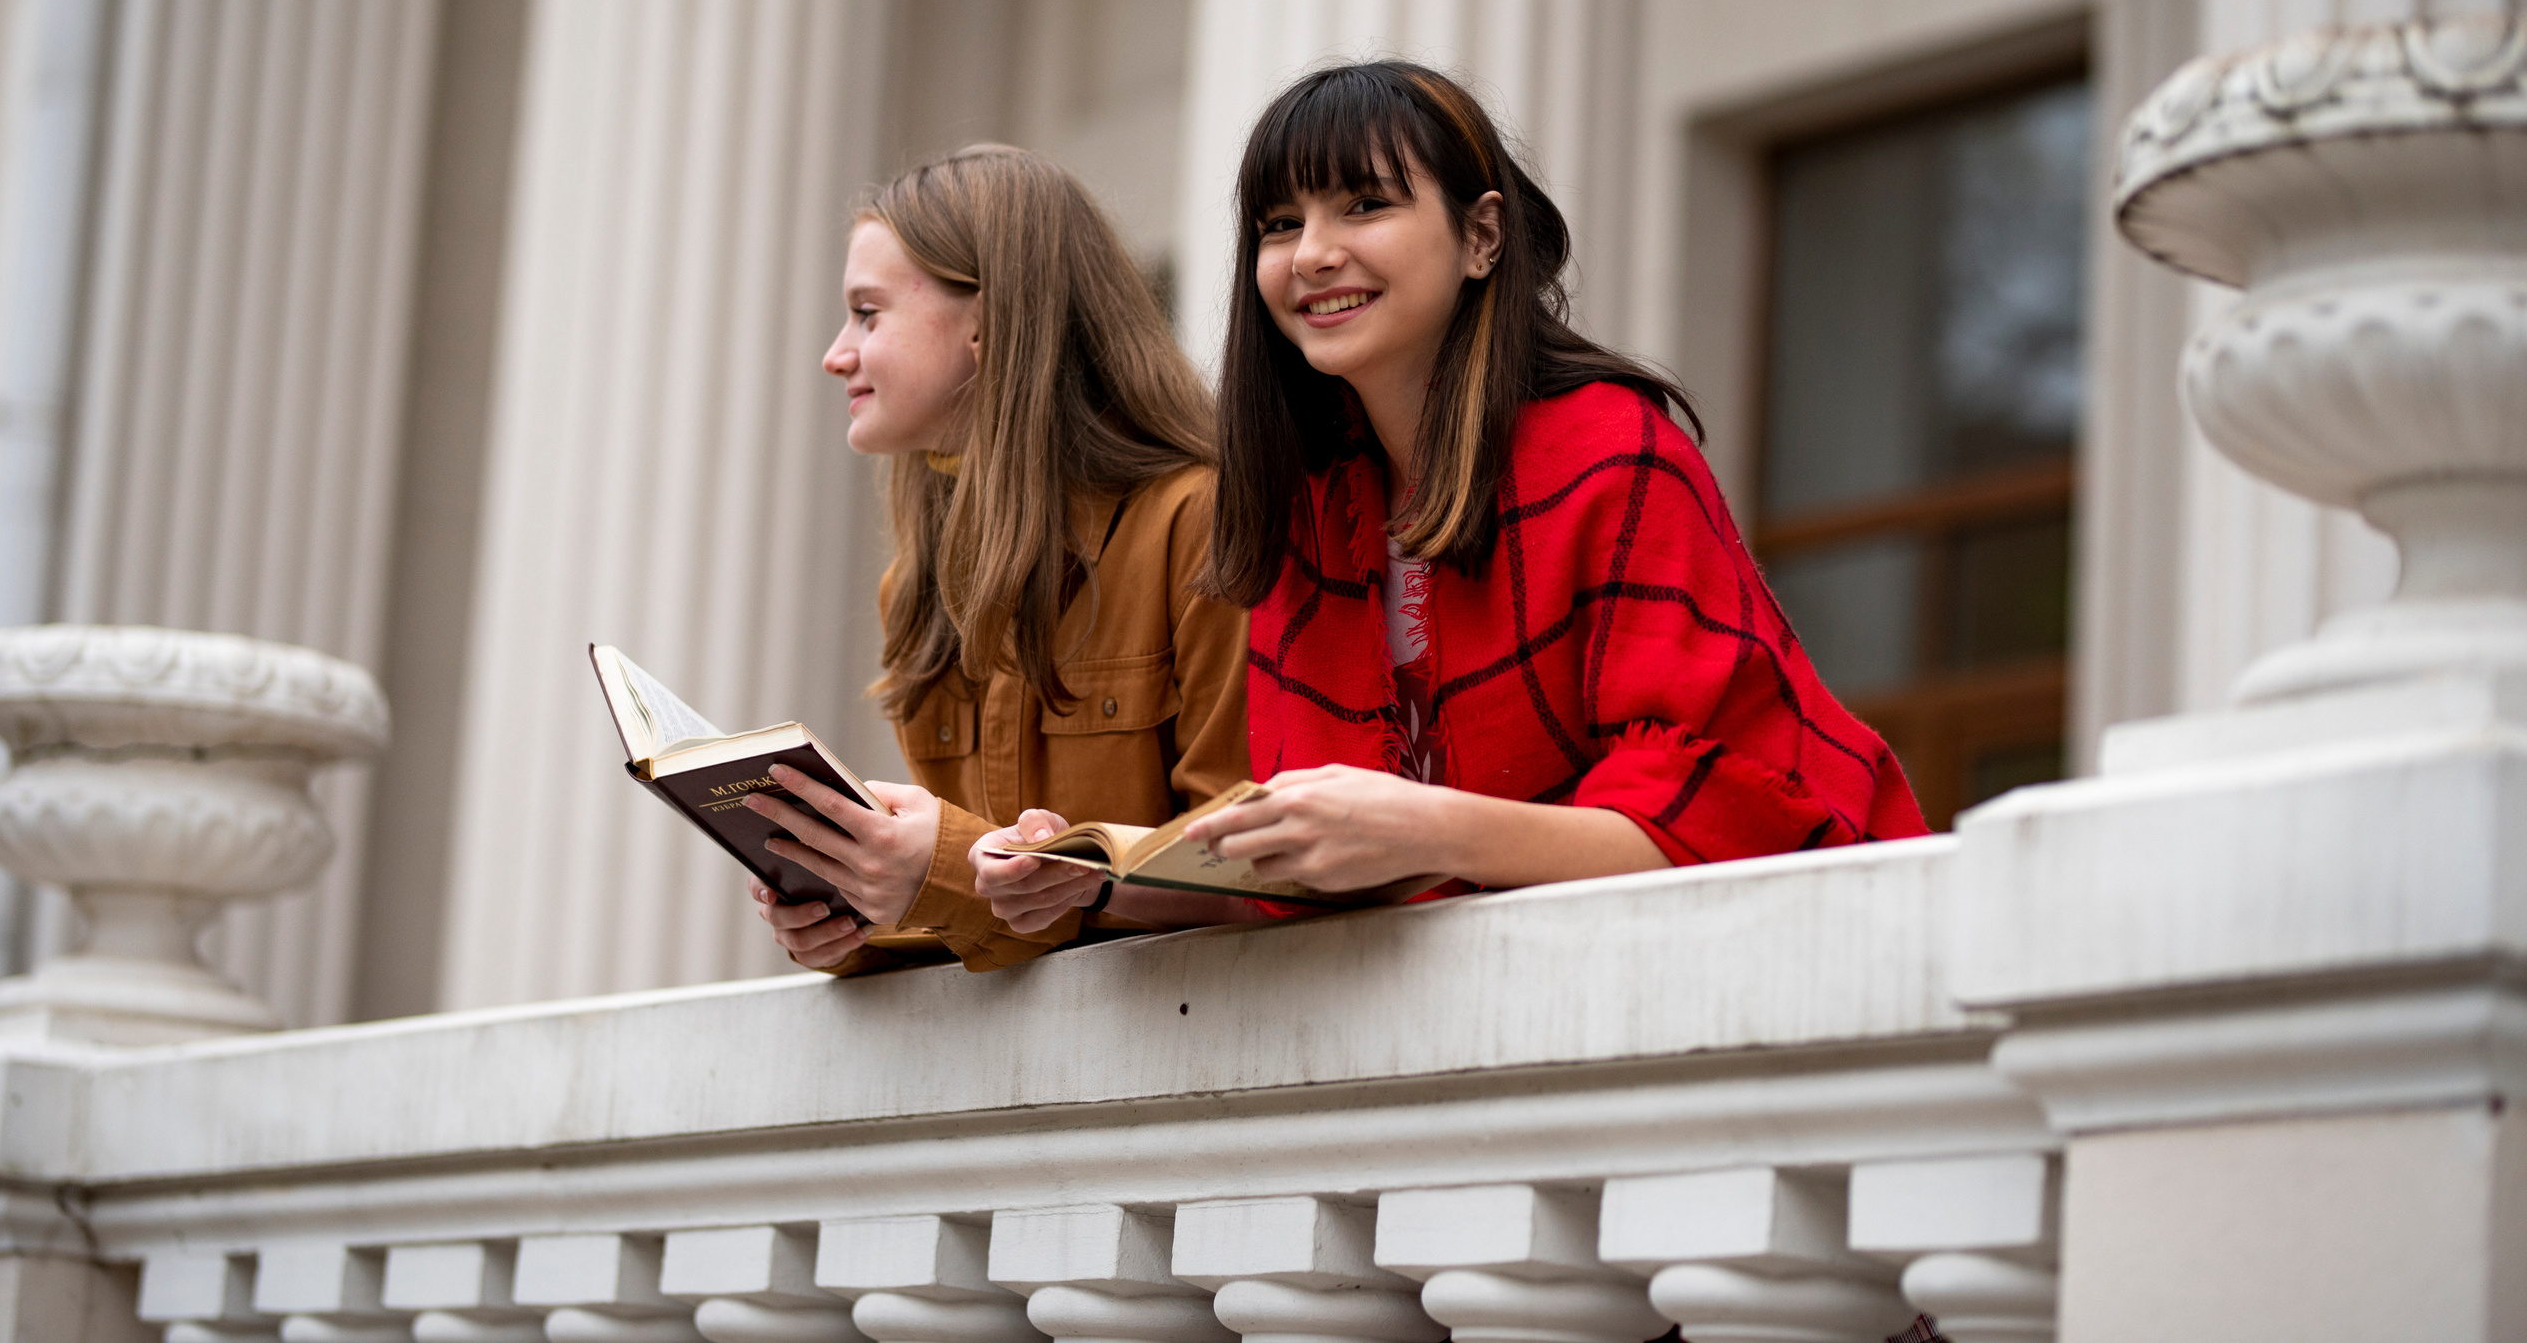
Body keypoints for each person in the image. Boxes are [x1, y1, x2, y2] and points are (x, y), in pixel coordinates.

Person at [981, 60, 1925, 927]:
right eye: (1280, 224)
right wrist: (1097, 879)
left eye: (1364, 205)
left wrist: (1426, 827)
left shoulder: (1614, 451)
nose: (1312, 254)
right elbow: (1308, 886)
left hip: (1831, 944)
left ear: (1482, 236)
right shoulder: (1302, 510)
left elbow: (1727, 818)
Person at [745, 146, 1248, 973]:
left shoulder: (1200, 522)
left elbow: (1255, 869)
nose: (837, 354)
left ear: (984, 324)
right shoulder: (915, 587)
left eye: (867, 314)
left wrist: (940, 867)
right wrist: (865, 911)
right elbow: (1007, 928)